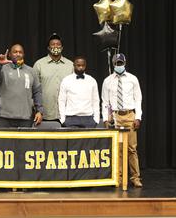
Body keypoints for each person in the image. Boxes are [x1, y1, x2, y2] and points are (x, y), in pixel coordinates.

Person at [102, 53, 143, 188]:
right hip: (116, 116)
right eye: (117, 63)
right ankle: (118, 178)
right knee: (118, 149)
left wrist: (138, 117)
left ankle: (135, 177)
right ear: (113, 64)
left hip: (129, 115)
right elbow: (106, 102)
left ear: (124, 63)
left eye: (121, 63)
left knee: (132, 148)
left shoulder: (133, 79)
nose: (119, 65)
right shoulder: (108, 80)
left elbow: (138, 99)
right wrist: (106, 118)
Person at [0, 44, 43, 127]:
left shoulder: (31, 71)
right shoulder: (2, 69)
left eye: (20, 52)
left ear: (23, 55)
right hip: (4, 118)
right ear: (10, 55)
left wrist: (39, 111)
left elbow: (37, 92)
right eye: (15, 52)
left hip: (25, 118)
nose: (18, 54)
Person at [33, 33, 73, 124]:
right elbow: (34, 90)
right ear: (48, 47)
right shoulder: (39, 65)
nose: (55, 46)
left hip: (67, 113)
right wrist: (37, 110)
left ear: (62, 47)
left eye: (58, 44)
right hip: (45, 114)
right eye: (53, 44)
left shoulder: (70, 65)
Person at [58, 56, 100, 128]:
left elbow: (96, 100)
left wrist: (96, 119)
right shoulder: (66, 80)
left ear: (85, 66)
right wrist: (63, 119)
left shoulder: (92, 80)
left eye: (83, 65)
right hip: (70, 118)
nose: (80, 67)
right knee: (71, 139)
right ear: (74, 65)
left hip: (88, 118)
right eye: (78, 65)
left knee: (89, 139)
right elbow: (61, 100)